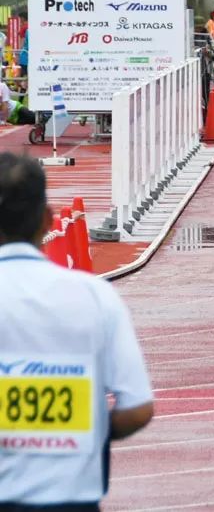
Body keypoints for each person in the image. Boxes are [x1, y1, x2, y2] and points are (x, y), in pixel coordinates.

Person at [0, 154, 155, 510]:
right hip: (73, 496)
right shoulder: (94, 295)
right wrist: (86, 426)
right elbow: (137, 408)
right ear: (47, 221)